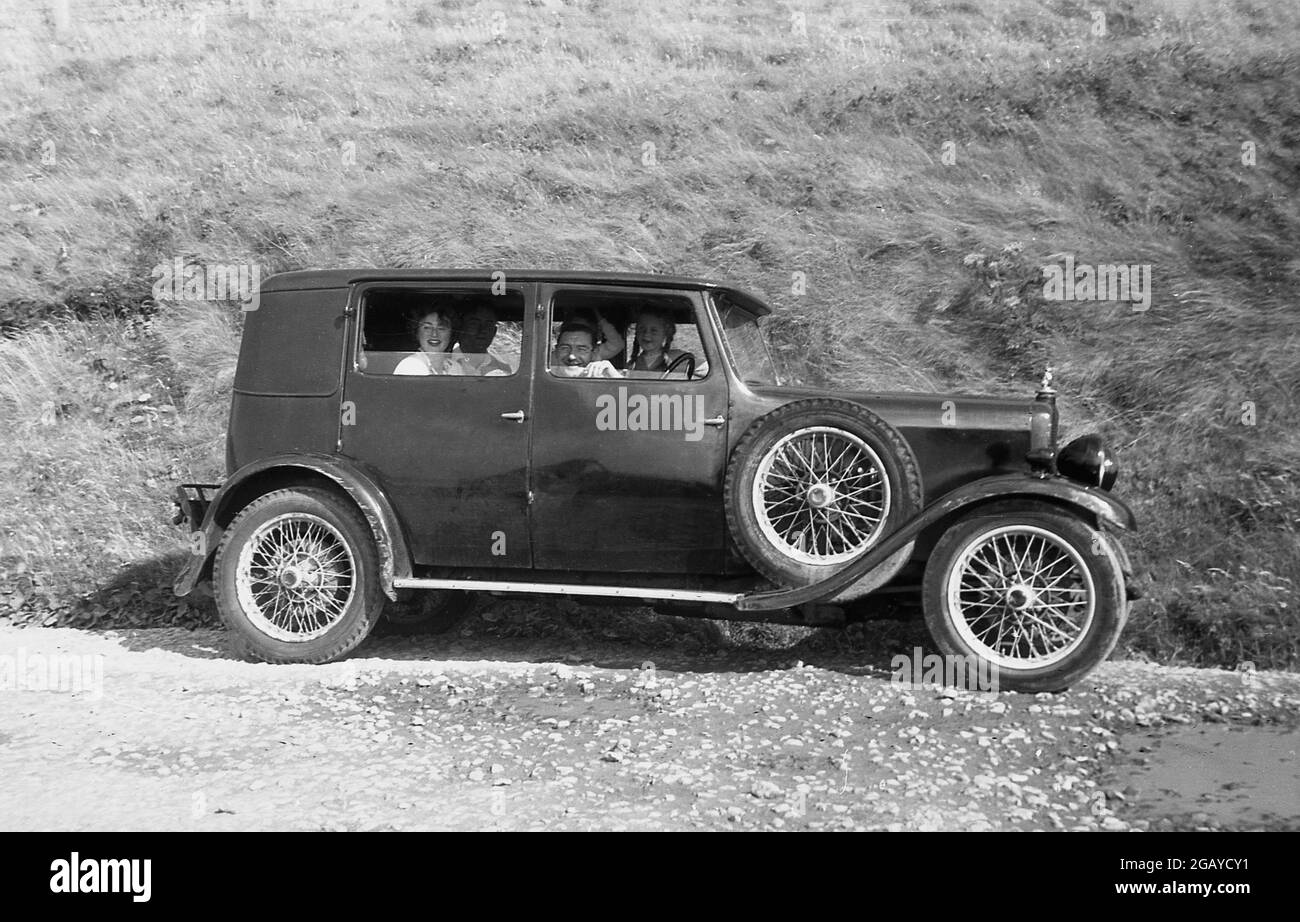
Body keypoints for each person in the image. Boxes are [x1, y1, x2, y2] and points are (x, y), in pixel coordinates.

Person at [627, 305, 694, 376]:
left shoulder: (680, 359)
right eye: (641, 329)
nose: (646, 334)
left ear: (666, 333)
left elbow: (706, 374)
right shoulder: (632, 366)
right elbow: (623, 386)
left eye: (654, 330)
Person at [394, 308, 462, 375]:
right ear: (417, 332)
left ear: (451, 334)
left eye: (441, 328)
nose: (434, 334)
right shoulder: (410, 366)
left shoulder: (456, 368)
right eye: (427, 327)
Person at [453, 303, 514, 376]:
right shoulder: (443, 360)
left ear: (494, 332)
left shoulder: (502, 369)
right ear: (461, 328)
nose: (482, 330)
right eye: (474, 324)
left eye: (488, 325)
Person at [551, 319, 623, 378]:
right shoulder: (545, 372)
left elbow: (617, 343)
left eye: (581, 349)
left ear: (594, 353)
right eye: (565, 348)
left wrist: (615, 378)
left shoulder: (600, 378)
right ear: (556, 350)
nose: (571, 356)